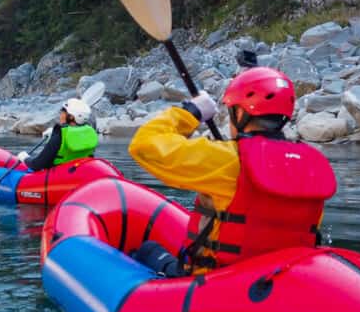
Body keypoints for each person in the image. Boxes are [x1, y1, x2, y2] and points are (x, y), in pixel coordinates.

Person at [128, 67, 337, 276]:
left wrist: (191, 111)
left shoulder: (227, 159)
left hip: (216, 282)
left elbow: (144, 145)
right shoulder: (311, 163)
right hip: (278, 281)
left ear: (240, 113)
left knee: (147, 251)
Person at [18, 97, 98, 171]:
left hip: (58, 177)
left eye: (63, 112)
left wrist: (24, 158)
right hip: (80, 172)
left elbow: (37, 165)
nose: (61, 115)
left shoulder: (60, 134)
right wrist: (53, 134)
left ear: (71, 117)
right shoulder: (91, 131)